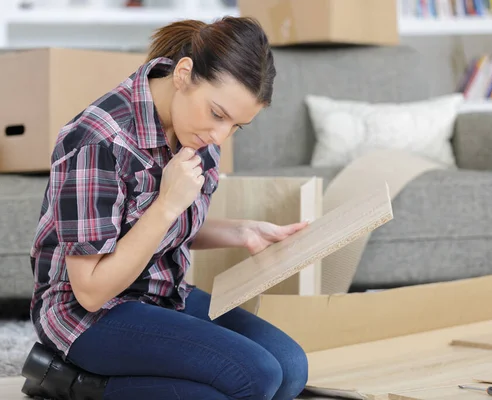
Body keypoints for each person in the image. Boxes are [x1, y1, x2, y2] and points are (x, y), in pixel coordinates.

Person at [20, 16, 309, 400]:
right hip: (89, 314)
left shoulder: (196, 128)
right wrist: (167, 204)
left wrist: (241, 232)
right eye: (218, 114)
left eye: (236, 126)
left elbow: (159, 228)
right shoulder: (98, 140)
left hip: (163, 294)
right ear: (184, 74)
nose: (219, 135)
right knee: (255, 376)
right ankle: (76, 383)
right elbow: (90, 290)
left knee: (289, 369)